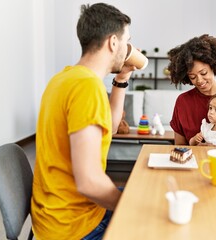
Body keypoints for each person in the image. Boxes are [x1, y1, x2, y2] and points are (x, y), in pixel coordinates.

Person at [31, 3, 135, 239]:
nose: (128, 48)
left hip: (54, 214)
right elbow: (89, 183)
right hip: (75, 225)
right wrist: (131, 205)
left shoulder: (65, 78)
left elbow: (110, 123)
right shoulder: (87, 87)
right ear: (113, 42)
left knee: (141, 193)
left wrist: (122, 79)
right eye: (127, 40)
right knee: (155, 220)